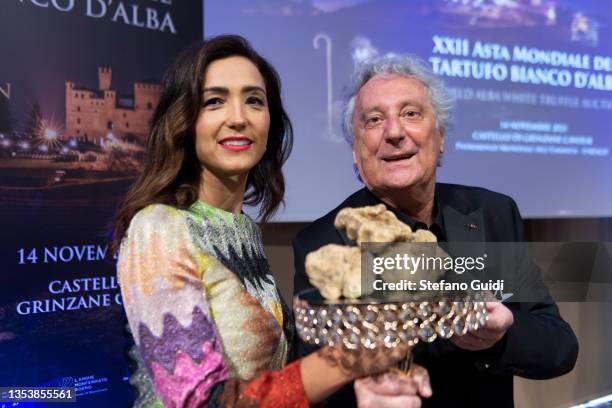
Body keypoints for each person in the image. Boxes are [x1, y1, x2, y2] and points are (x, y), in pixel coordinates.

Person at [111, 35, 430, 407]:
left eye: (254, 101)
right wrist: (348, 359)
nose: (238, 118)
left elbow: (273, 375)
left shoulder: (241, 229)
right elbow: (201, 402)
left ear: (270, 123)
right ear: (184, 120)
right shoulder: (158, 229)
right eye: (214, 101)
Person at [292, 54, 579, 407]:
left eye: (411, 114)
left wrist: (501, 337)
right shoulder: (324, 244)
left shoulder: (493, 214)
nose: (394, 132)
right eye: (374, 119)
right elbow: (317, 389)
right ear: (356, 151)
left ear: (440, 136)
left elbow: (560, 347)